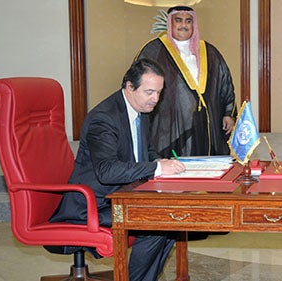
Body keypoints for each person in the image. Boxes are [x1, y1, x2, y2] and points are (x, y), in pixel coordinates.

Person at [49, 59, 187, 281]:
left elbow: (145, 151)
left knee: (172, 220)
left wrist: (160, 162)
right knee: (157, 224)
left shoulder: (139, 109)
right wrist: (157, 167)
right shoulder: (103, 119)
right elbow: (107, 171)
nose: (156, 99)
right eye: (150, 92)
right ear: (129, 87)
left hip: (121, 196)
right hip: (92, 204)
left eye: (159, 92)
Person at [135, 5, 237, 158]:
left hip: (208, 122)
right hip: (169, 123)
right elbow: (137, 83)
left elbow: (225, 83)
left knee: (208, 166)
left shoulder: (210, 51)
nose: (184, 25)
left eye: (188, 21)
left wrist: (228, 113)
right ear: (170, 23)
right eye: (178, 20)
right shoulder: (154, 50)